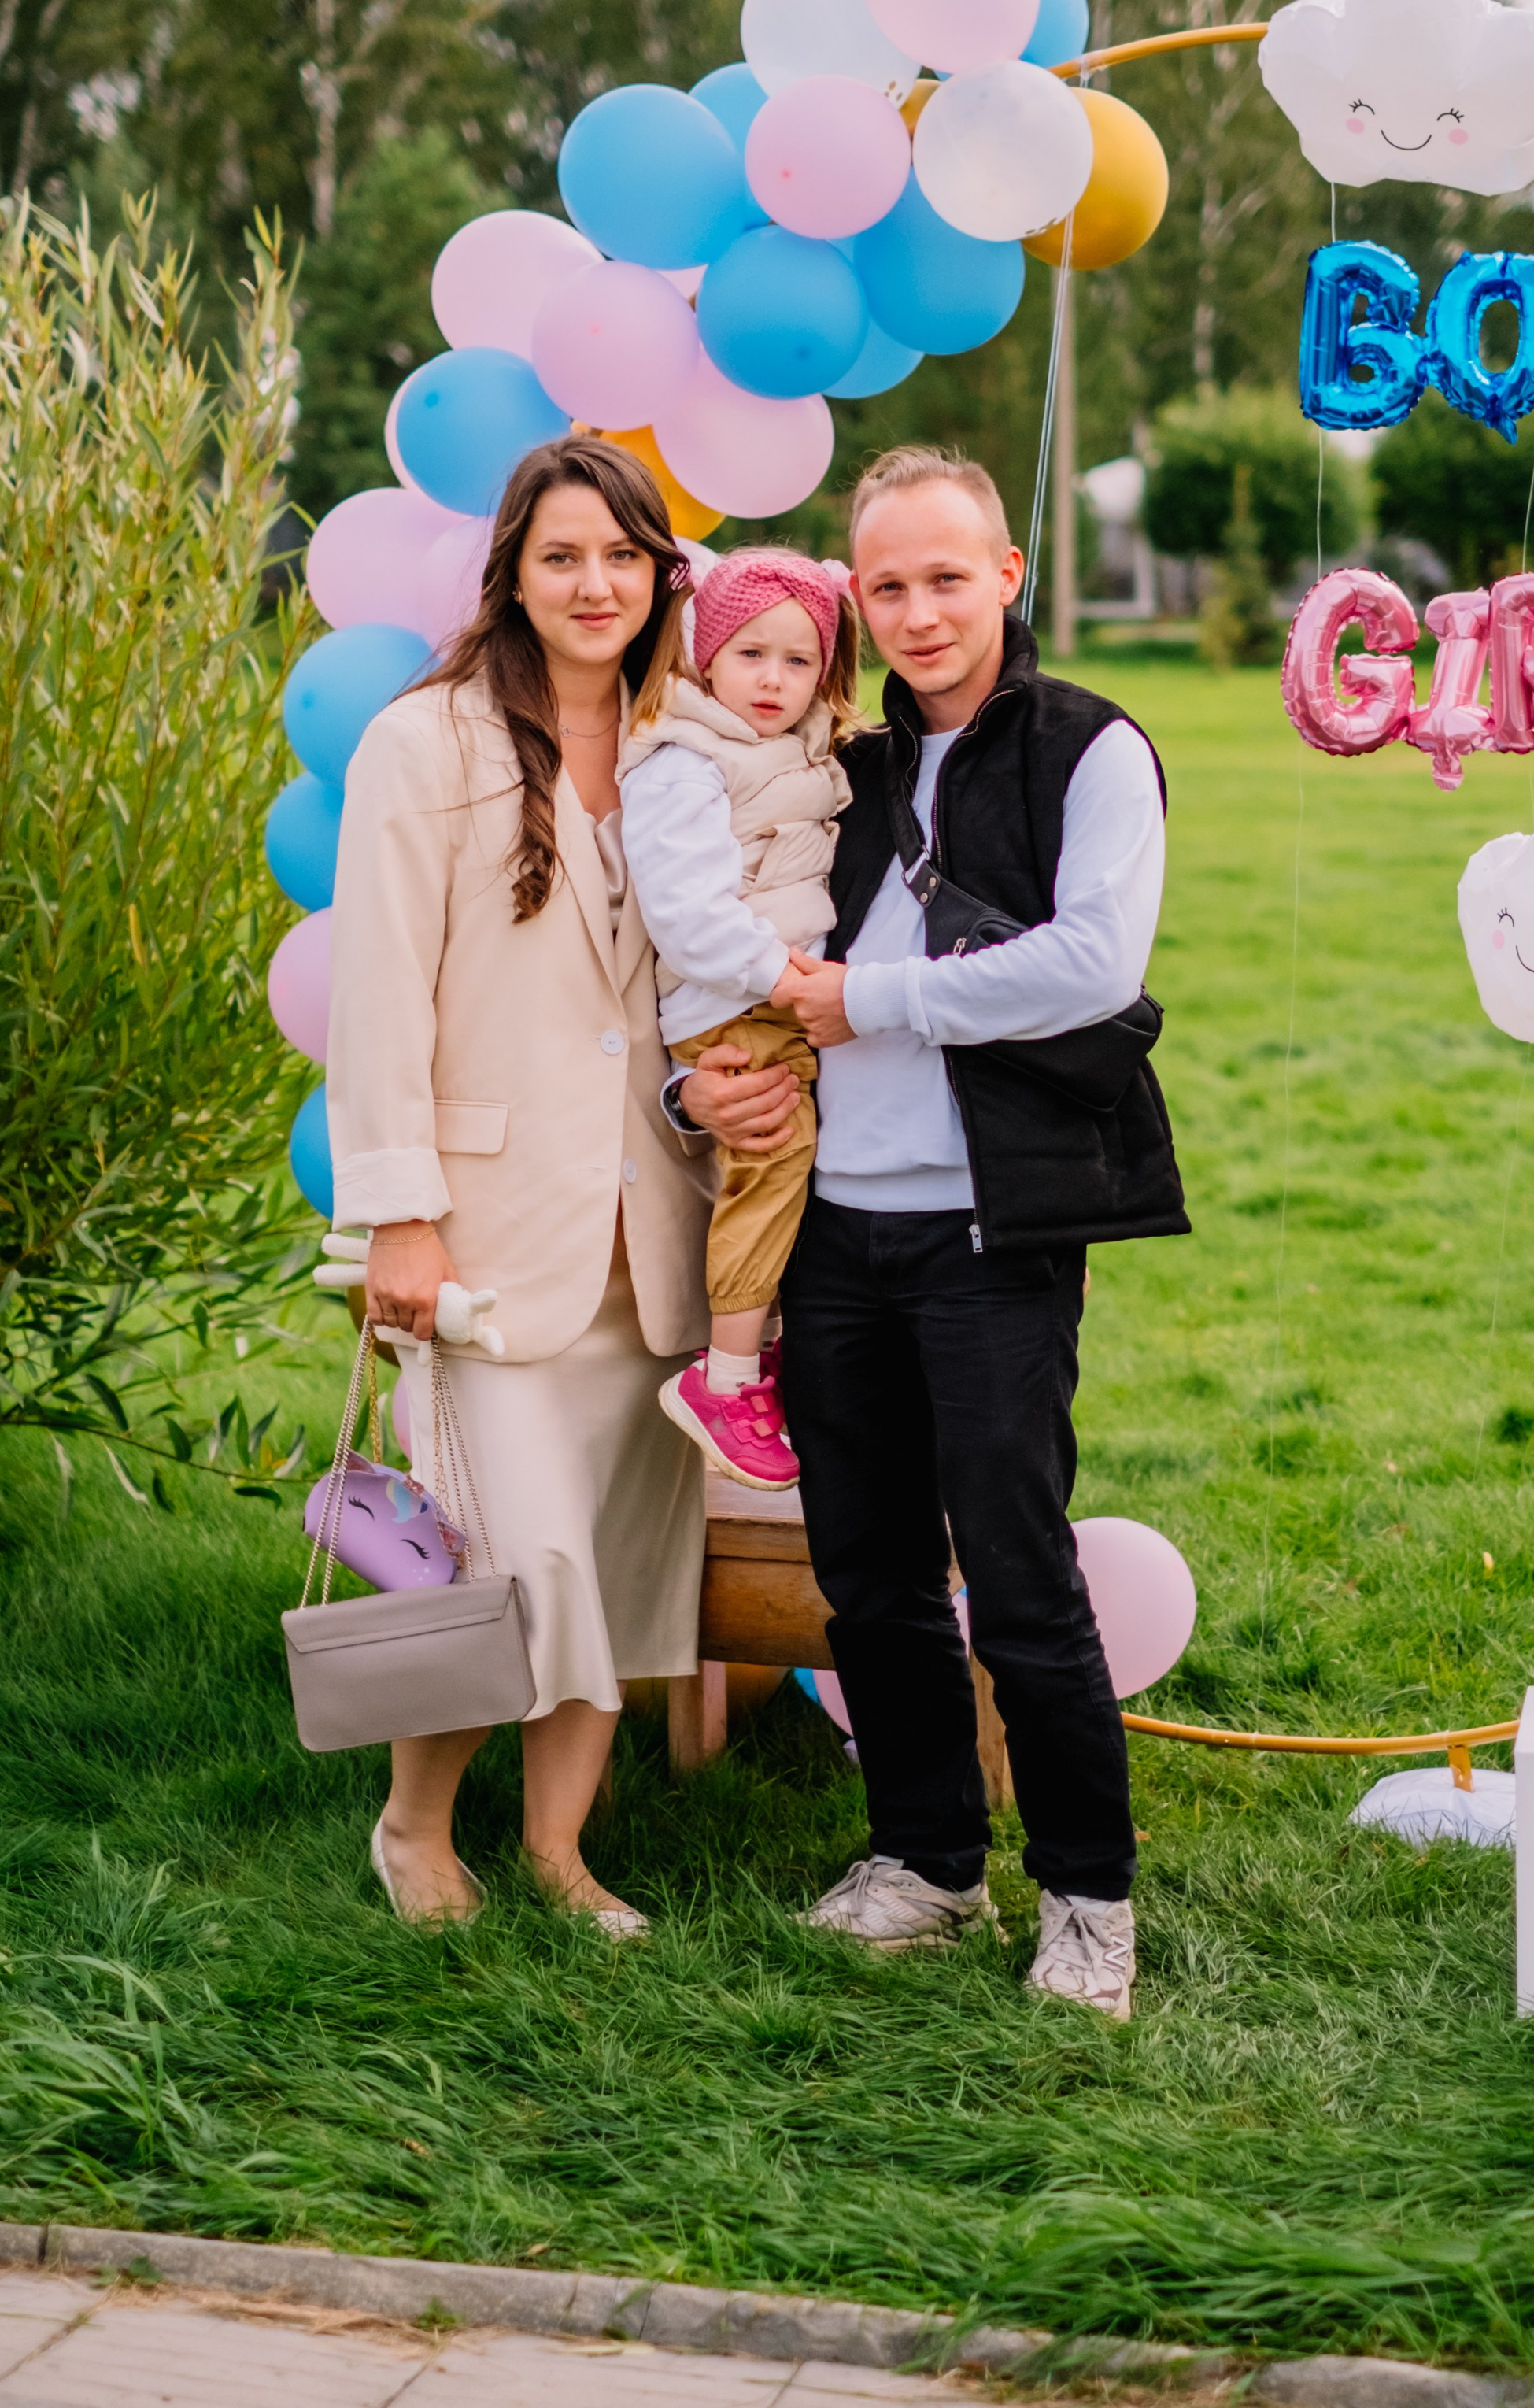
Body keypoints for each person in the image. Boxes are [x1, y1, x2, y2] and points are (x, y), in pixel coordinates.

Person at [693, 444, 1188, 2021]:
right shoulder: (829, 773)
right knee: (869, 1577)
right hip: (831, 1237)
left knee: (1020, 1578)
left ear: (1007, 577)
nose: (915, 612)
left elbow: (1090, 968)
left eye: (943, 579)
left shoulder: (1087, 751)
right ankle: (925, 1863)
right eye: (885, 584)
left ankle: (1088, 1902)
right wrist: (690, 1090)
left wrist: (872, 1002)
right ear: (857, 596)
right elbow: (732, 955)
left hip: (993, 1231)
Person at [327, 433, 715, 1931]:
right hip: (487, 1244)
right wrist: (402, 1213)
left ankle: (557, 1854)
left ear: (658, 574)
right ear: (512, 573)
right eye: (564, 555)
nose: (596, 583)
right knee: (508, 1564)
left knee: (613, 1573)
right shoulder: (425, 746)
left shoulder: (685, 738)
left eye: (624, 555)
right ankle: (415, 1825)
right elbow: (378, 997)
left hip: (651, 1240)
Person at [617, 547, 859, 1492]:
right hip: (737, 1000)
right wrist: (785, 978)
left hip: (778, 989)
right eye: (750, 653)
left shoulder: (795, 749)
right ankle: (726, 1377)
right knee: (773, 1159)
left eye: (798, 662)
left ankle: (780, 1346)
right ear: (704, 656)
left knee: (809, 1168)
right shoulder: (684, 763)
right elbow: (687, 913)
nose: (773, 679)